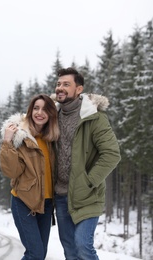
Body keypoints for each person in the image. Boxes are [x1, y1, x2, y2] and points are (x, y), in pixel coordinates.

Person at [53, 67, 121, 260]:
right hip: (60, 195)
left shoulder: (94, 118)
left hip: (87, 195)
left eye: (66, 84)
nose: (60, 88)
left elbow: (112, 154)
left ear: (79, 89)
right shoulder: (52, 117)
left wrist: (89, 182)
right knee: (70, 251)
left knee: (83, 246)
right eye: (59, 84)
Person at [0, 94, 60, 260]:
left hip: (46, 205)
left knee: (40, 254)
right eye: (36, 108)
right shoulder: (21, 137)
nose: (39, 113)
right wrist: (7, 142)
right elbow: (11, 172)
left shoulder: (51, 139)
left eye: (45, 109)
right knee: (35, 254)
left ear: (51, 114)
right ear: (30, 110)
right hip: (24, 202)